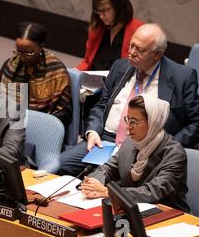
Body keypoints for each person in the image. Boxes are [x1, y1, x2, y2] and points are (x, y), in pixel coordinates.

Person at [58, 24, 199, 176]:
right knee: (58, 166)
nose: (131, 53)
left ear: (157, 54)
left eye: (139, 50)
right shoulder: (120, 66)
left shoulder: (182, 77)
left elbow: (196, 123)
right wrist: (92, 132)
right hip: (104, 140)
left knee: (101, 181)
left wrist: (163, 147)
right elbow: (102, 105)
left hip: (143, 148)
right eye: (131, 45)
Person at [81, 94, 189, 212]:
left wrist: (108, 192)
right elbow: (109, 168)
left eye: (134, 122)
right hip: (132, 209)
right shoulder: (131, 142)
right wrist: (92, 183)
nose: (128, 127)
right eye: (127, 120)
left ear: (153, 122)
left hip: (167, 214)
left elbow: (153, 191)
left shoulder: (174, 154)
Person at [0, 22, 72, 129]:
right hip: (11, 128)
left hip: (45, 130)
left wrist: (36, 127)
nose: (22, 58)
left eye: (28, 53)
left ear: (41, 47)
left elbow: (63, 114)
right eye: (19, 52)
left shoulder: (57, 72)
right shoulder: (9, 67)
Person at [76, 0, 144, 71]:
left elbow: (140, 70)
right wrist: (73, 73)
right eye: (98, 11)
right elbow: (87, 61)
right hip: (93, 81)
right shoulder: (97, 27)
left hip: (121, 83)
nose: (101, 16)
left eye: (106, 10)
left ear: (119, 6)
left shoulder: (139, 31)